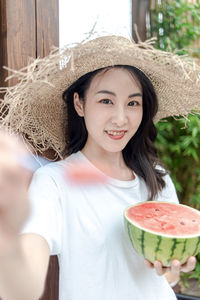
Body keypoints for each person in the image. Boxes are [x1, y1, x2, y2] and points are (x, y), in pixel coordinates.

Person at [0, 35, 199, 300]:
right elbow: (24, 289)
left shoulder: (157, 179)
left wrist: (173, 266)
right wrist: (6, 227)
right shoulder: (53, 182)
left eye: (133, 103)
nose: (120, 118)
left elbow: (168, 278)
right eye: (106, 101)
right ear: (79, 104)